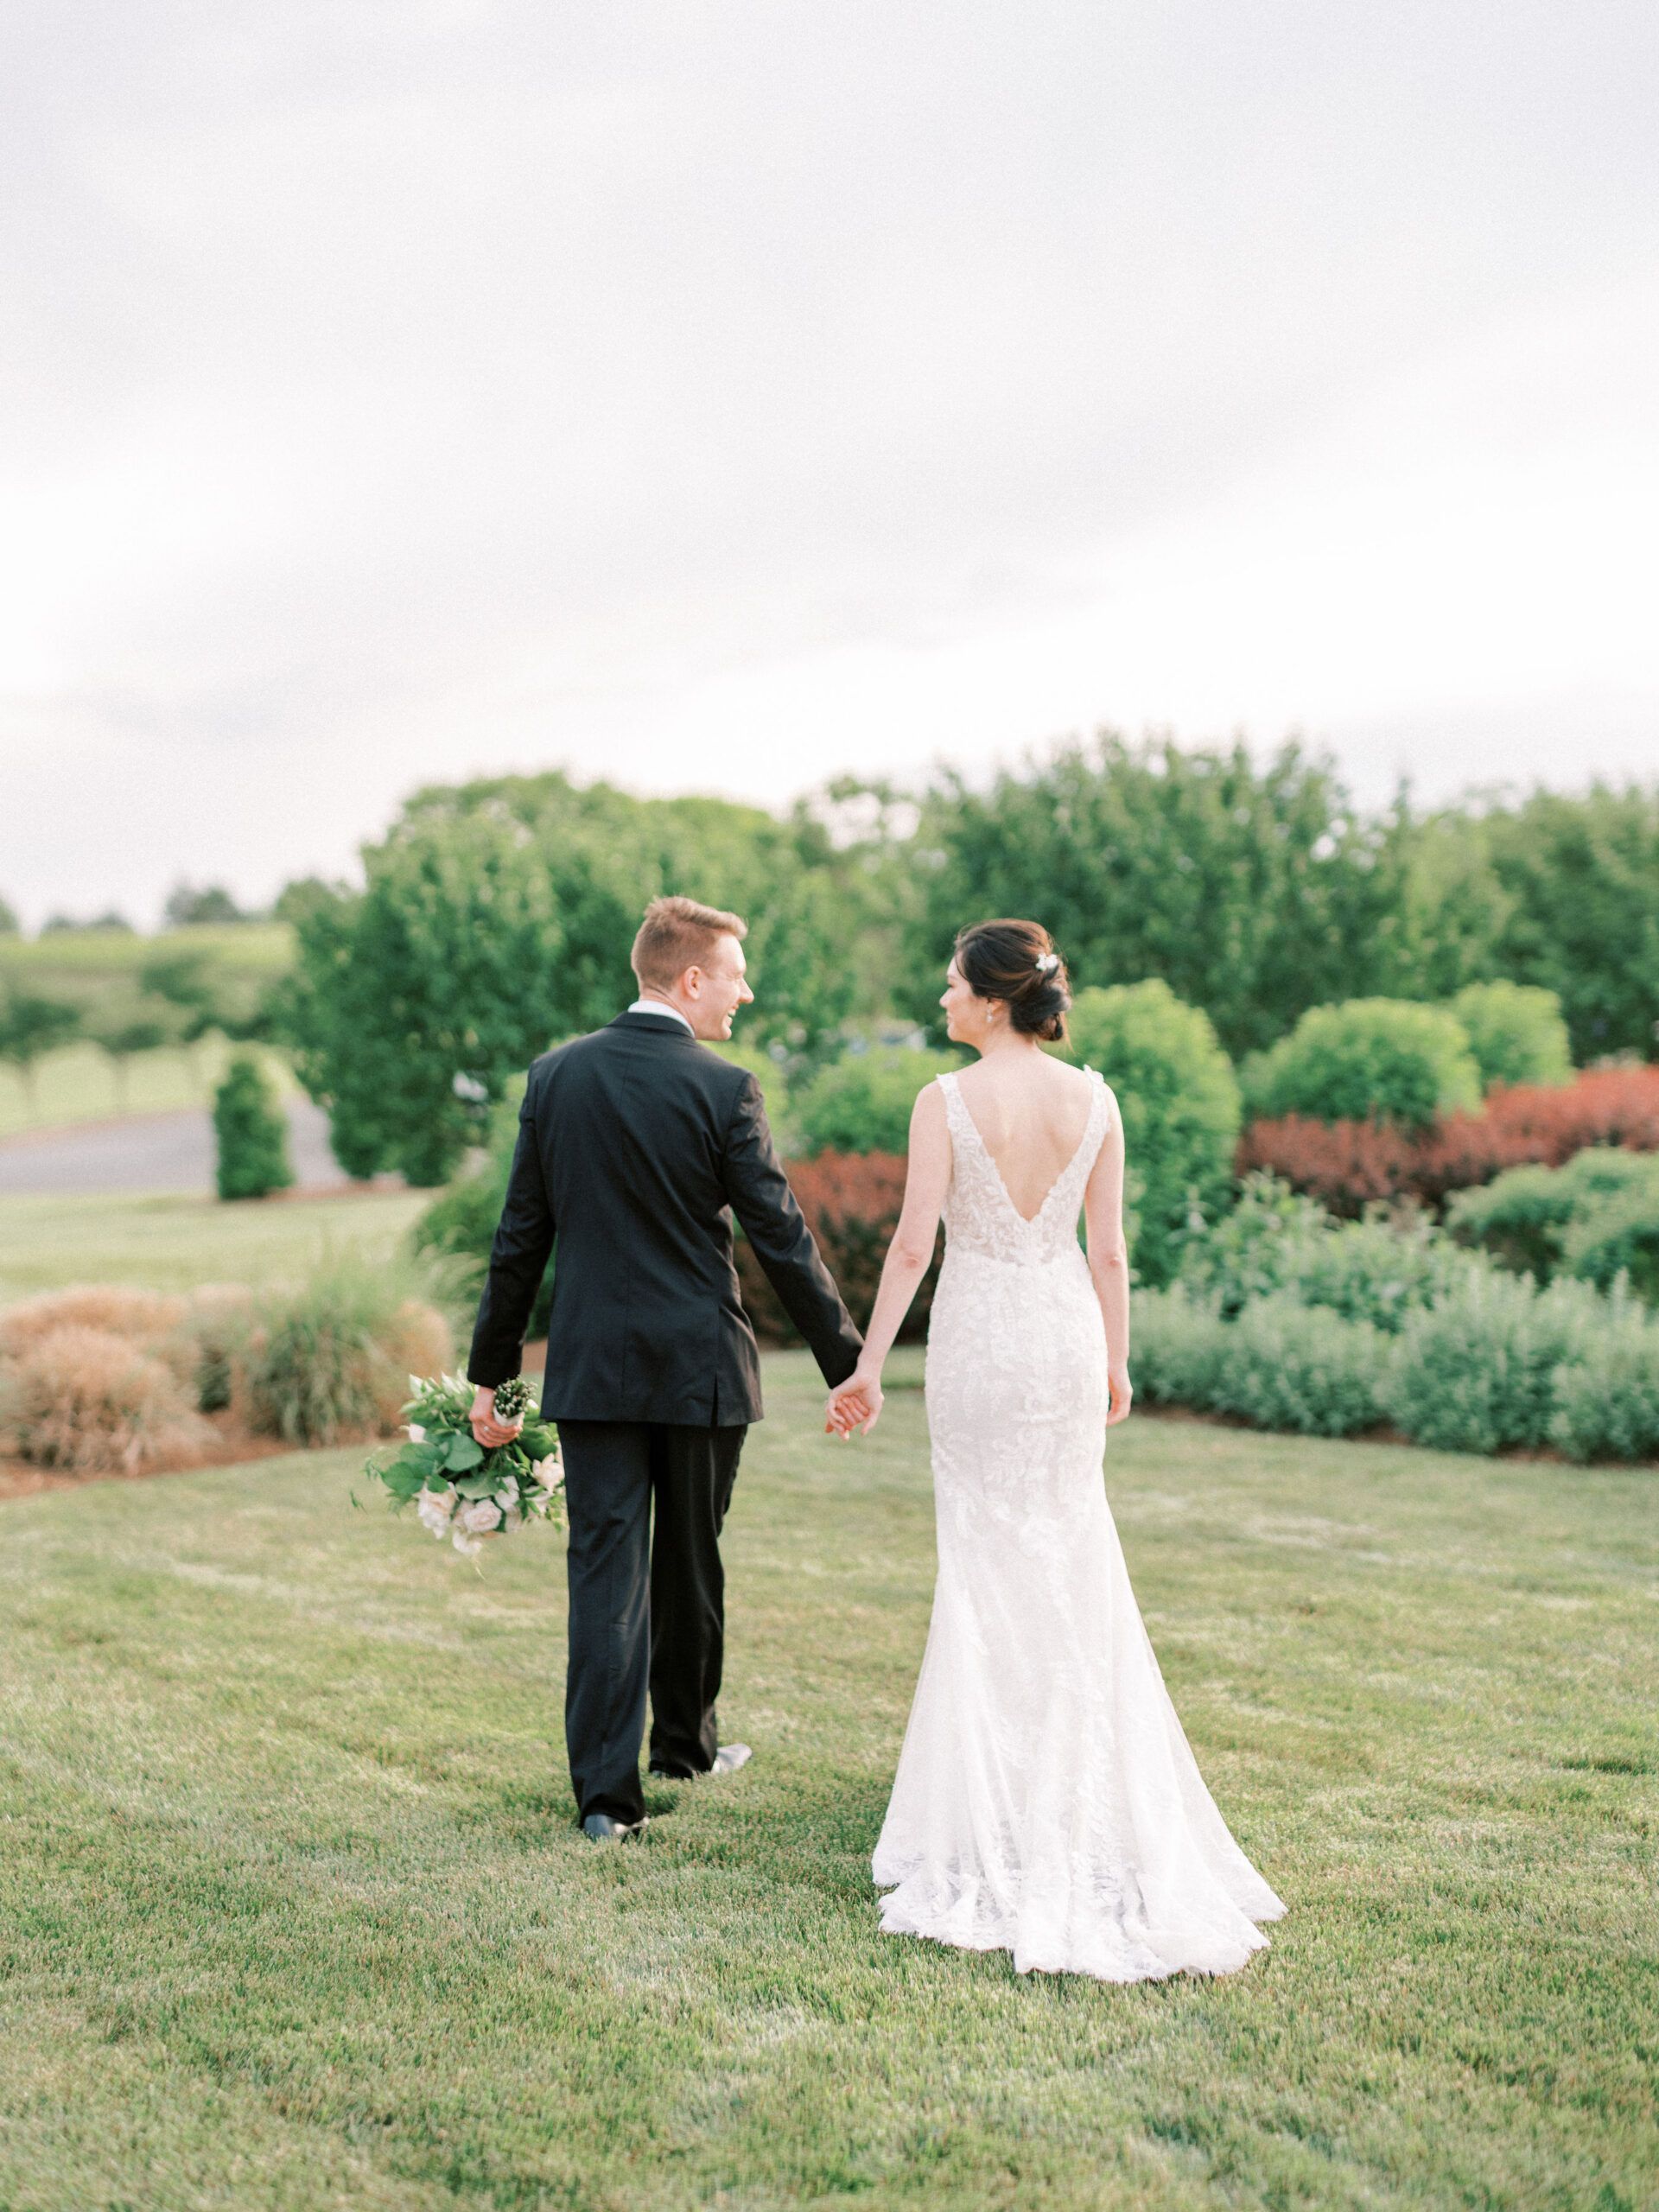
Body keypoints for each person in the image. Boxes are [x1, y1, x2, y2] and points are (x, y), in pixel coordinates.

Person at [826, 918, 1285, 1980]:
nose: (939, 999)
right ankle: (1075, 1782)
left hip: (984, 1343)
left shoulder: (944, 1102)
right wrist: (1118, 1362)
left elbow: (910, 1243)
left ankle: (999, 1799)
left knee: (984, 1558)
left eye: (949, 984)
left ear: (991, 1000)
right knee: (1070, 1550)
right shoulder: (1099, 1098)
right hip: (1066, 1338)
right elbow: (1109, 1249)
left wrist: (864, 1364)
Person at [467, 895, 863, 1842]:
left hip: (595, 1370)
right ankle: (682, 1746)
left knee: (606, 1572)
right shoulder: (724, 1088)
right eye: (734, 975)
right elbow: (781, 1236)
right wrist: (847, 1360)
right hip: (701, 1371)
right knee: (691, 1559)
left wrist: (495, 1379)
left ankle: (609, 1801)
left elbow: (520, 1240)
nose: (745, 991)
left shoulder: (554, 1078)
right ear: (690, 980)